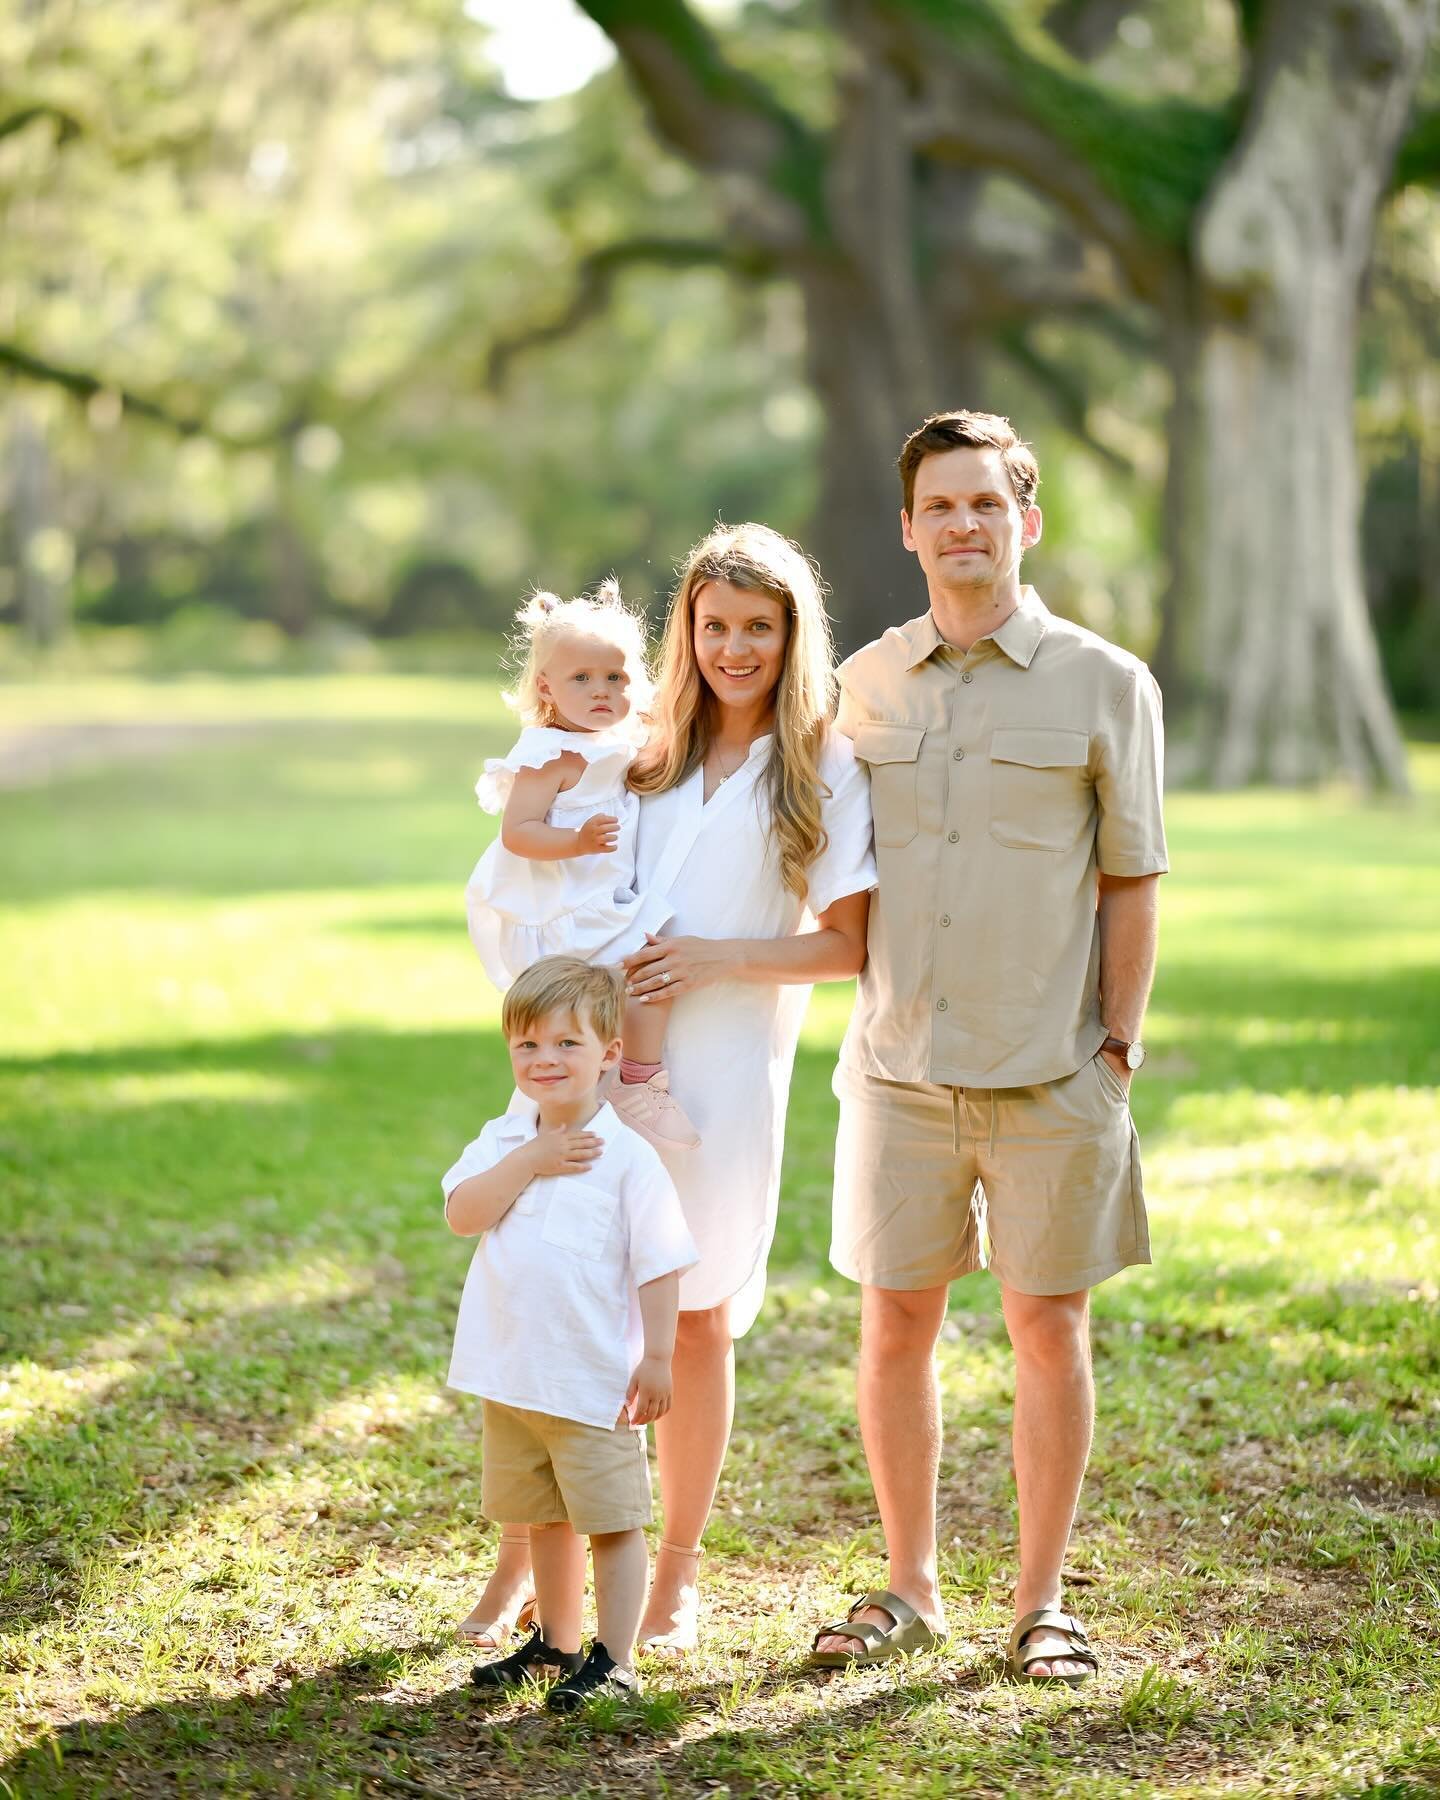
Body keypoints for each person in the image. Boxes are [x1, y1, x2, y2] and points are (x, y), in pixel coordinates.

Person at [458, 521, 878, 1654]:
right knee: (562, 1294)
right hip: (598, 1068)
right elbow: (542, 843)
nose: (735, 647)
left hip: (722, 1076)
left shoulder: (822, 763)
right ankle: (532, 1566)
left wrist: (719, 956)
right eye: (714, 624)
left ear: (792, 634)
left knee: (691, 1320)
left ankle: (676, 1574)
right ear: (684, 633)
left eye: (759, 626)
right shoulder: (641, 746)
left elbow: (846, 944)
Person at [812, 411, 1167, 1685]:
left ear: (1027, 519)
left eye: (985, 501)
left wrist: (1114, 1051)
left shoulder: (1106, 682)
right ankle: (911, 1588)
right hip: (899, 1072)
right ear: (907, 531)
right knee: (893, 1326)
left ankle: (1040, 1604)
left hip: (1054, 1070)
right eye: (938, 506)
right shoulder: (863, 683)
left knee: (1045, 1326)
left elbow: (1133, 880)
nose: (963, 523)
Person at [441, 956, 699, 1710]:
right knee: (543, 1516)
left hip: (593, 1384)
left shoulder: (629, 1160)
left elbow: (660, 1265)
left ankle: (614, 1659)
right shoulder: (503, 1139)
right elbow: (463, 1214)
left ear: (609, 1055)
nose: (545, 1060)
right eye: (527, 1046)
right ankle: (555, 1643)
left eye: (567, 1045)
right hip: (514, 1375)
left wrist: (656, 1357)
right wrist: (531, 1158)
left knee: (611, 1522)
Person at [464, 581, 699, 1152]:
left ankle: (634, 1083)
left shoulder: (617, 739)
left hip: (601, 902)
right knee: (613, 998)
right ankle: (603, 1104)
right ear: (546, 686)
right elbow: (517, 833)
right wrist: (576, 840)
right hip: (563, 911)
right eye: (582, 679)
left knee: (650, 978)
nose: (601, 691)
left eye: (615, 677)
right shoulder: (550, 755)